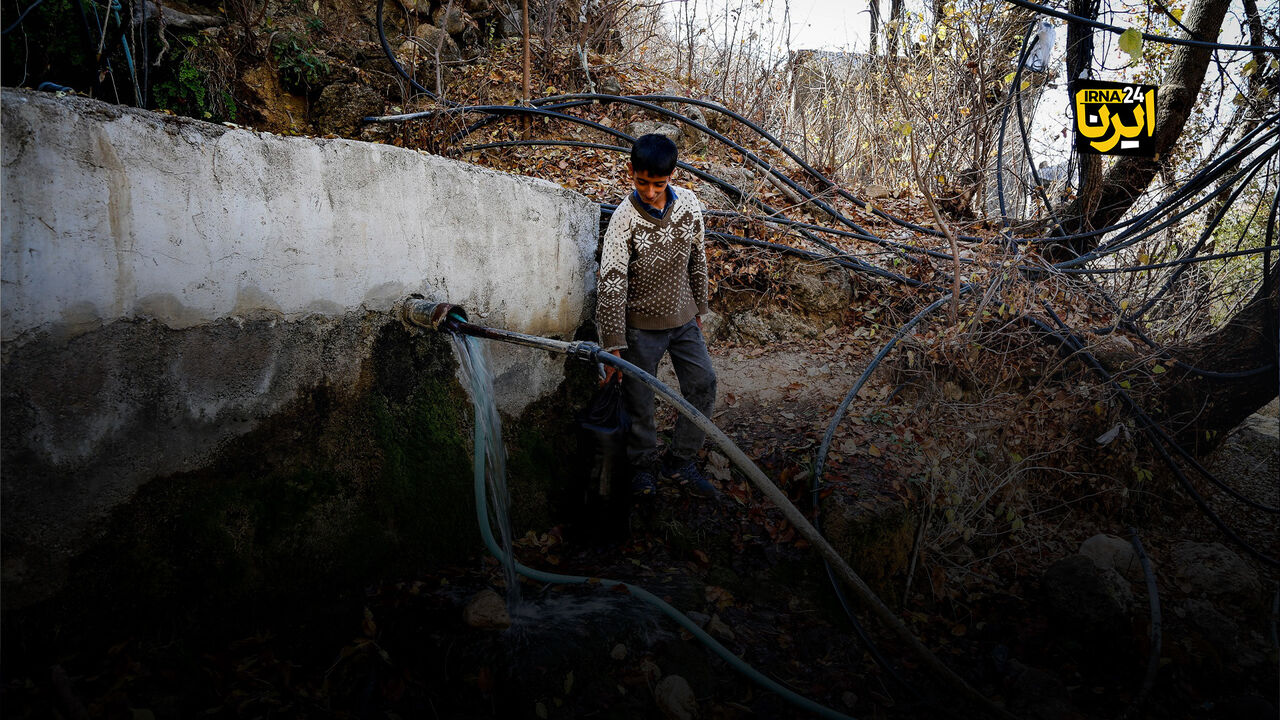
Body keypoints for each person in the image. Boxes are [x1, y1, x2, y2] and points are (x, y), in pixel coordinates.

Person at [596, 133, 719, 499]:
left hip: (683, 321)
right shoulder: (623, 219)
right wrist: (614, 344)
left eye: (658, 184)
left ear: (672, 176)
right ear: (630, 172)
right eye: (642, 182)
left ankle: (680, 461)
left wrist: (700, 307)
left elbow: (698, 257)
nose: (650, 192)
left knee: (703, 384)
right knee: (639, 401)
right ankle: (643, 469)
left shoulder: (689, 206)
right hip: (639, 328)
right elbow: (611, 282)